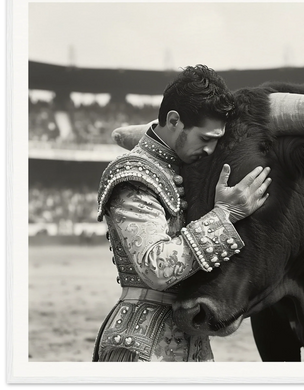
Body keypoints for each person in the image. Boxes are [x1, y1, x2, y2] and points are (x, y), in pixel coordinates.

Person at [92, 65, 272, 362]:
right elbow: (156, 268)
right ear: (174, 121)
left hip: (191, 342)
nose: (211, 150)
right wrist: (225, 214)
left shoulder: (184, 169)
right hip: (141, 345)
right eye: (205, 139)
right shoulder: (135, 174)